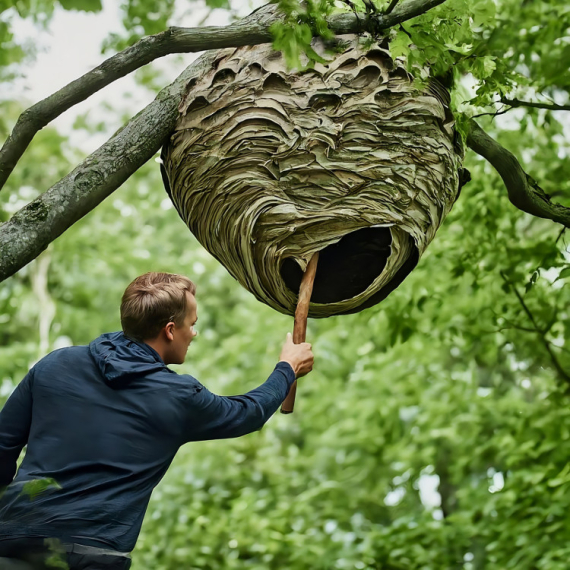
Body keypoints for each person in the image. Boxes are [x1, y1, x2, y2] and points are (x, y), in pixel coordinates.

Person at [0, 272, 314, 569]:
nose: (194, 333)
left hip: (10, 539)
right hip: (90, 555)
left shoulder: (55, 364)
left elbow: (3, 445)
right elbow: (246, 413)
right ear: (169, 330)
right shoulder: (178, 395)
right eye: (192, 324)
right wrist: (286, 368)